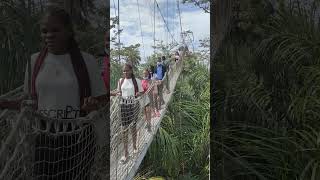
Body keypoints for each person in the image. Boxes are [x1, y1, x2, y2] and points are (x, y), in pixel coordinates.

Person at [0, 8, 108, 179]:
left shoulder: (87, 61)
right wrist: (5, 103)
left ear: (68, 32)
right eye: (45, 31)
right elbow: (30, 101)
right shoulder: (34, 61)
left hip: (78, 137)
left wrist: (92, 104)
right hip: (44, 137)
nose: (49, 35)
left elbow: (102, 98)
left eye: (55, 30)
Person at [117, 63, 144, 163]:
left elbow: (142, 92)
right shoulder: (120, 81)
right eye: (124, 71)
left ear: (131, 70)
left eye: (127, 70)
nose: (125, 72)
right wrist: (118, 94)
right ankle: (125, 153)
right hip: (123, 106)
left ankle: (134, 147)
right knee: (124, 130)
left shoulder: (136, 81)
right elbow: (119, 92)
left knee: (133, 127)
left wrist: (138, 93)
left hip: (133, 106)